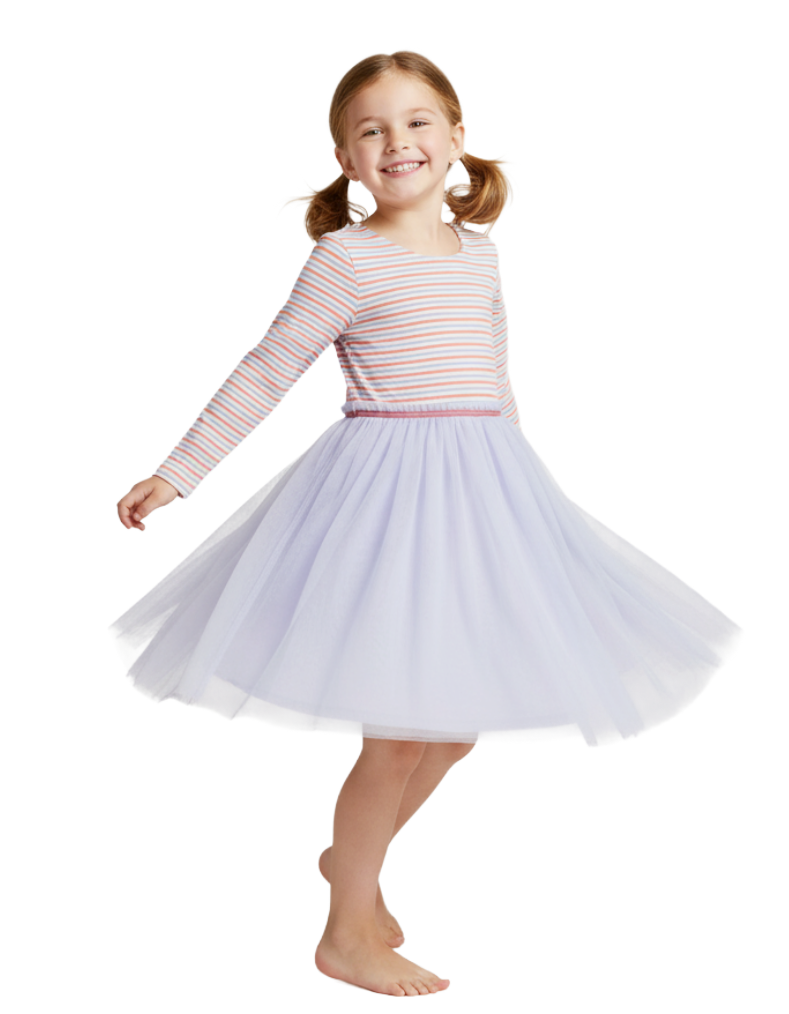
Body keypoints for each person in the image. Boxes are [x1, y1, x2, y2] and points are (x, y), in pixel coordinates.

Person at [110, 51, 742, 997]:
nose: (396, 142)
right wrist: (178, 473)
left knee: (452, 732)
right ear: (345, 158)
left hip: (480, 495)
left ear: (454, 138)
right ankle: (345, 933)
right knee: (399, 733)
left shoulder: (479, 253)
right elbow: (266, 368)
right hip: (383, 507)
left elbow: (494, 374)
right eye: (371, 130)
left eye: (416, 123)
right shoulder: (344, 258)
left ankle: (349, 863)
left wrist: (525, 496)